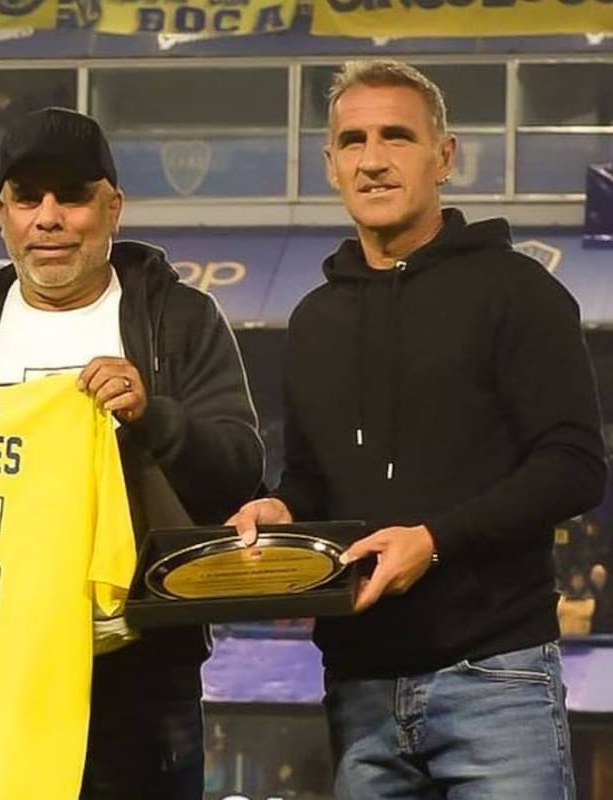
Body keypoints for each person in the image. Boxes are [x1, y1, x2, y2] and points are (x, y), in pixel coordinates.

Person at [228, 59, 606, 798]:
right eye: (353, 141)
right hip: (359, 687)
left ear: (446, 156)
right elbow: (310, 479)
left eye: (397, 137)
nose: (372, 159)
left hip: (497, 678)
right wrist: (281, 510)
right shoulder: (313, 320)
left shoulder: (519, 292)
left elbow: (573, 465)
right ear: (330, 164)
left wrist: (433, 542)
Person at [0, 107, 264, 799]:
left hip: (139, 678)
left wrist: (154, 415)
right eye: (28, 199)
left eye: (72, 196)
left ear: (113, 206)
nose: (49, 218)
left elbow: (239, 471)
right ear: (2, 213)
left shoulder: (178, 318)